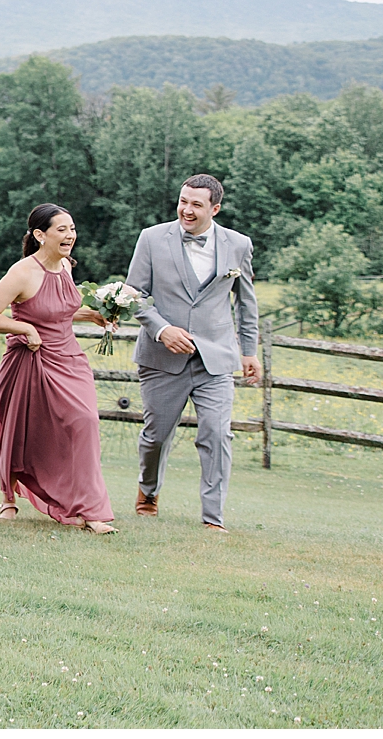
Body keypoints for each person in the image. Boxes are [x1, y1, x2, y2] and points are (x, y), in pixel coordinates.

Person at [125, 174, 260, 532]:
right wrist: (162, 329)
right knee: (156, 435)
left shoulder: (239, 245)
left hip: (215, 357)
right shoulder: (152, 238)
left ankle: (212, 516)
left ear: (215, 208)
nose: (186, 209)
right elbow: (133, 294)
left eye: (196, 204)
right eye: (183, 201)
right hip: (162, 358)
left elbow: (246, 303)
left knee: (216, 433)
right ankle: (148, 491)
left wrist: (249, 351)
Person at [0, 204, 116, 533]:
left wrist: (89, 314)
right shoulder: (22, 272)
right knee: (21, 432)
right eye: (61, 230)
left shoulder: (67, 268)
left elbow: (54, 310)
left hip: (69, 358)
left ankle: (91, 511)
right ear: (39, 235)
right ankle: (8, 496)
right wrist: (25, 329)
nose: (70, 235)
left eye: (72, 229)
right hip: (30, 361)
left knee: (84, 422)